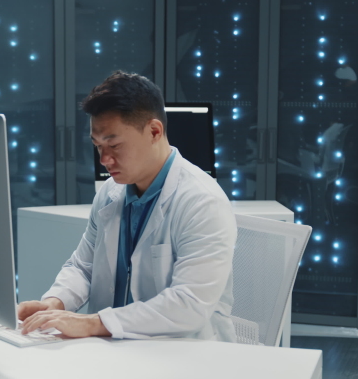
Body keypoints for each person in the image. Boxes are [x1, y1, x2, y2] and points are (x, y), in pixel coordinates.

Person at [17, 71, 237, 342]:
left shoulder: (203, 202)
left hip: (183, 352)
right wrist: (54, 302)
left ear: (154, 131)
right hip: (117, 348)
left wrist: (94, 323)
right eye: (98, 146)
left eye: (114, 145)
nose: (104, 159)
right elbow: (83, 267)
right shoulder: (110, 192)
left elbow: (188, 305)